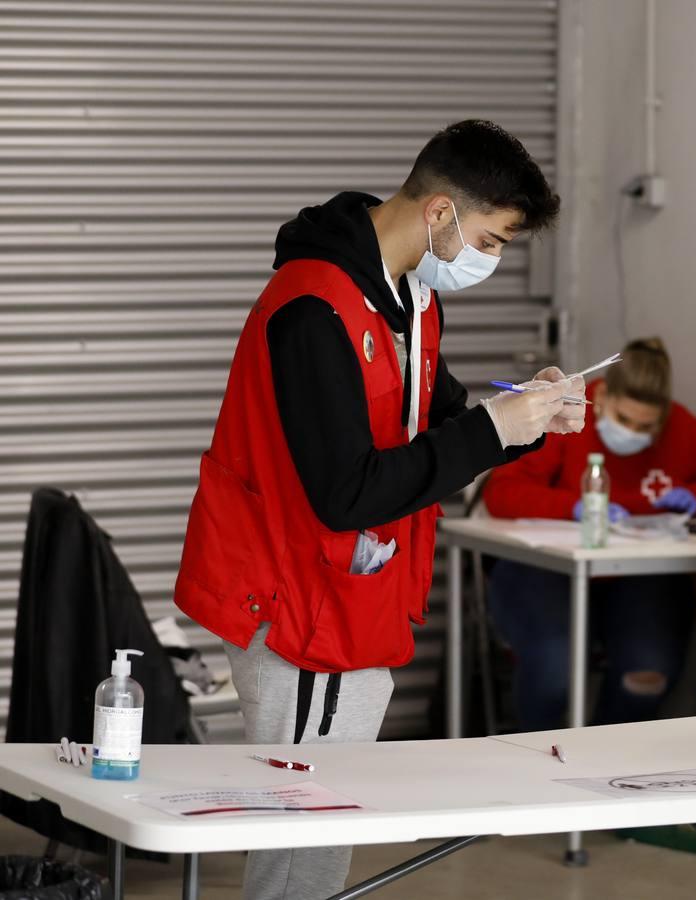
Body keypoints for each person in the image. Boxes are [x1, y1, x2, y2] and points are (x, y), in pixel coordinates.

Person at [174, 120, 578, 900]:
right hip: (297, 608)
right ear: (438, 214)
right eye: (489, 241)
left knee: (322, 838)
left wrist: (527, 416)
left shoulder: (409, 297)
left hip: (355, 600)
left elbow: (443, 415)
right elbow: (346, 491)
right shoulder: (312, 308)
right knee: (300, 845)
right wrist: (492, 430)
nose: (489, 261)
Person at [484, 338, 696, 730]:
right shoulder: (563, 416)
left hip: (638, 577)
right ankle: (534, 758)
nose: (632, 432)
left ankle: (600, 756)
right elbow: (502, 493)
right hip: (546, 570)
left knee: (648, 675)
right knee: (553, 672)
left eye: (646, 426)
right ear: (603, 396)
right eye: (624, 419)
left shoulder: (690, 434)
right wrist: (575, 507)